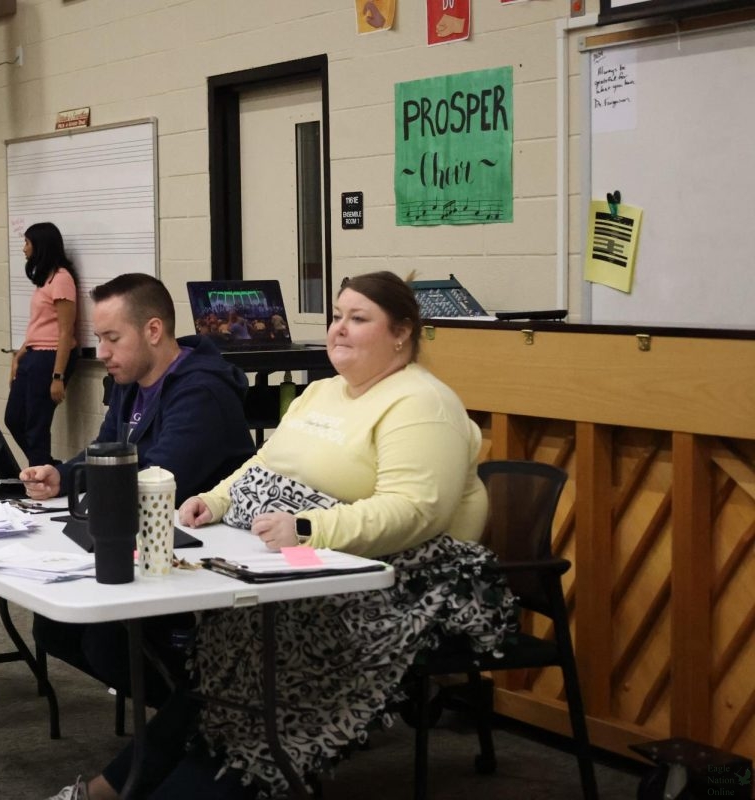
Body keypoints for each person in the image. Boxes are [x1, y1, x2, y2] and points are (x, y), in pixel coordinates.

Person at [48, 272, 515, 800]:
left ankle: (151, 784)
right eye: (337, 316)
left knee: (257, 667)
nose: (339, 329)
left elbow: (414, 514)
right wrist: (216, 501)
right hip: (312, 565)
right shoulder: (321, 393)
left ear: (402, 333)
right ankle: (117, 787)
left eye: (358, 319)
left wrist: (309, 528)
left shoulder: (422, 404)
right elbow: (260, 465)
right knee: (231, 665)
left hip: (394, 584)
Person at [22, 273, 255, 712]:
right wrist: (61, 473)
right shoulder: (130, 382)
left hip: (202, 558)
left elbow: (157, 478)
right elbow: (105, 454)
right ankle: (180, 714)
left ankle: (204, 714)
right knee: (55, 626)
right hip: (148, 545)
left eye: (112, 338)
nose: (103, 353)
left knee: (104, 639)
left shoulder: (202, 390)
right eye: (99, 339)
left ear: (153, 330)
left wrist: (82, 483)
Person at [5, 222, 79, 466]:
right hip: (34, 354)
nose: (24, 248)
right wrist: (19, 356)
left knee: (36, 425)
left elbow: (66, 331)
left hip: (50, 358)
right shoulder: (45, 280)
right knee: (14, 419)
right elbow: (40, 326)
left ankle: (41, 478)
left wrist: (58, 376)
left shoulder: (62, 279)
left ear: (41, 246)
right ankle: (49, 467)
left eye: (27, 243)